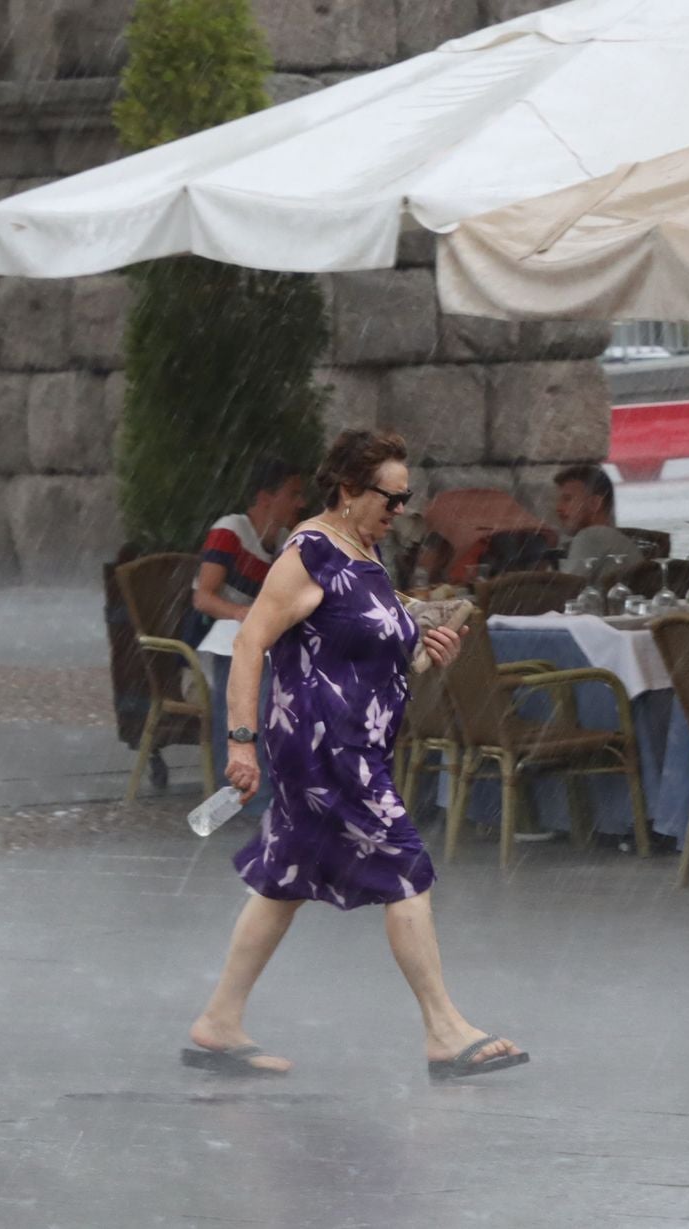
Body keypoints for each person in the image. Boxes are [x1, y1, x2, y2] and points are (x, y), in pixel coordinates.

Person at [183, 429, 528, 1081]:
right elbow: (250, 642)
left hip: (352, 743)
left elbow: (367, 644)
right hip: (323, 748)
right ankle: (445, 1028)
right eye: (388, 499)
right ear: (346, 490)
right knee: (406, 867)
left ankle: (218, 1021)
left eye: (405, 500)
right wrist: (240, 739)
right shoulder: (310, 553)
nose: (399, 512)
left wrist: (427, 645)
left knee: (284, 878)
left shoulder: (360, 552)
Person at [194, 457, 307, 812]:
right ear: (265, 498)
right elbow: (203, 597)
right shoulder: (230, 531)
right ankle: (251, 796)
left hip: (266, 644)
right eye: (293, 494)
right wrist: (243, 614)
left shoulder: (288, 543)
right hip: (221, 642)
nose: (301, 503)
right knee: (254, 698)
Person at [553, 464, 639, 582]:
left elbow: (566, 588)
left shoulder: (590, 536)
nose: (558, 508)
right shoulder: (615, 539)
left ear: (595, 503)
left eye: (567, 499)